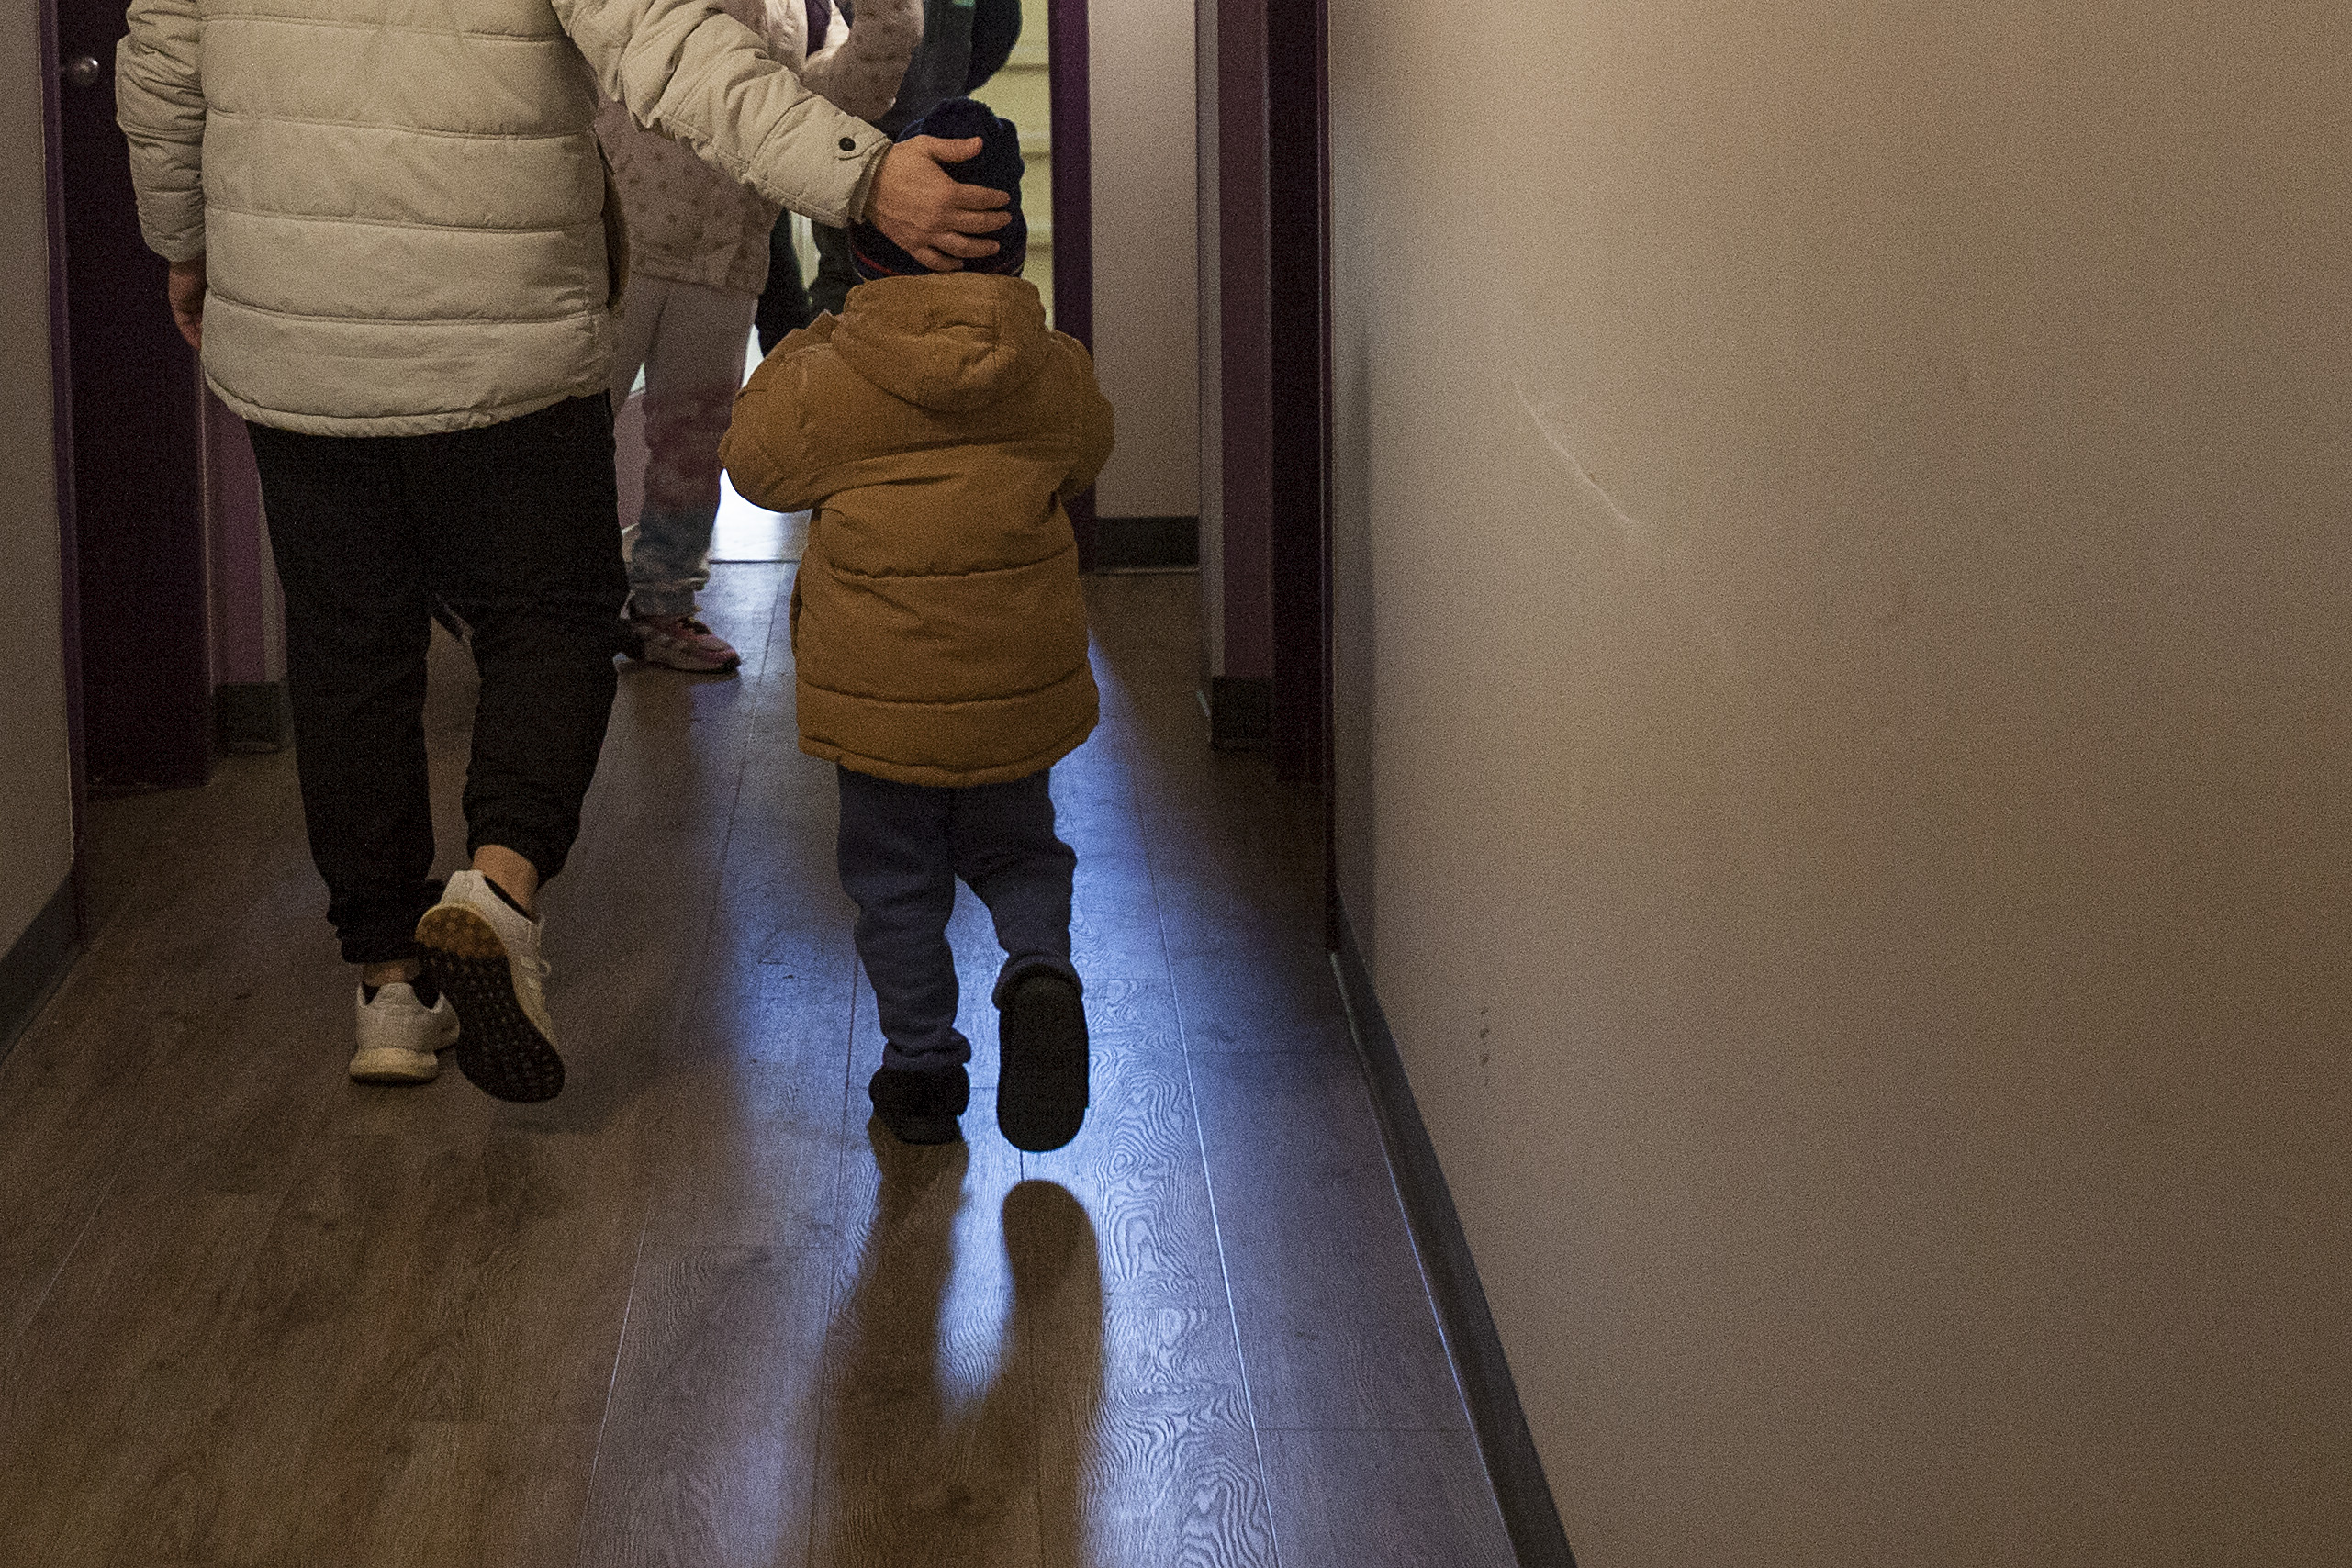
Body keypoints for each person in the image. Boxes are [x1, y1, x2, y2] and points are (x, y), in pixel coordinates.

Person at [116, 0, 1013, 1102]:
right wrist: (862, 175)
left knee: (350, 650)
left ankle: (390, 988)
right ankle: (498, 887)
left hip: (298, 317)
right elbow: (673, 43)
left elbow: (161, 65)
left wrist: (184, 239)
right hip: (508, 326)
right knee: (553, 614)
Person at [720, 99, 1112, 1151]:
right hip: (1012, 687)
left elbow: (752, 465)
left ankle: (922, 1070)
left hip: (881, 699)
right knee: (1021, 850)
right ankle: (1037, 966)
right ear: (1009, 241)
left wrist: (808, 335)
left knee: (896, 882)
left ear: (865, 246)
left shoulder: (832, 375)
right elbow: (1088, 459)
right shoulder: (1051, 365)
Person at [599, 0, 921, 673]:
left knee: (693, 442)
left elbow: (830, 103)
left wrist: (891, 20)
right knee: (564, 435)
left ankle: (662, 604)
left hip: (727, 250)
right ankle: (543, 614)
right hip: (613, 238)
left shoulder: (800, 4)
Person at [756, 0, 1025, 347]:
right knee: (933, 277)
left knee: (846, 274)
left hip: (861, 126)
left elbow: (997, 28)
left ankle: (833, 374)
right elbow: (997, 31)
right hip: (887, 123)